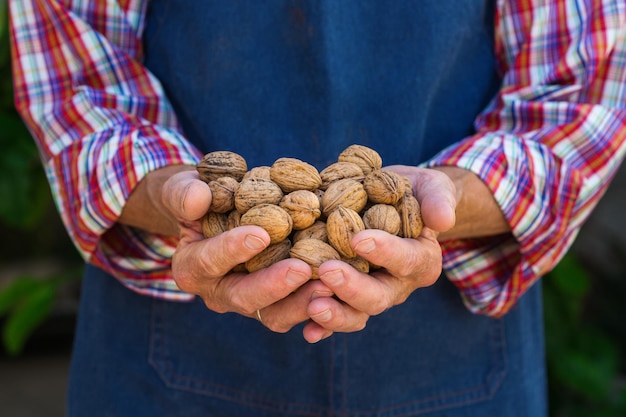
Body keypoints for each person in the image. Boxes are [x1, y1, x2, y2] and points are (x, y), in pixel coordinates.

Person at [8, 1, 626, 416]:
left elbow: (580, 94)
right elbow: (77, 81)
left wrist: (452, 198)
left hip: (452, 355)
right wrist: (169, 192)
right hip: (166, 348)